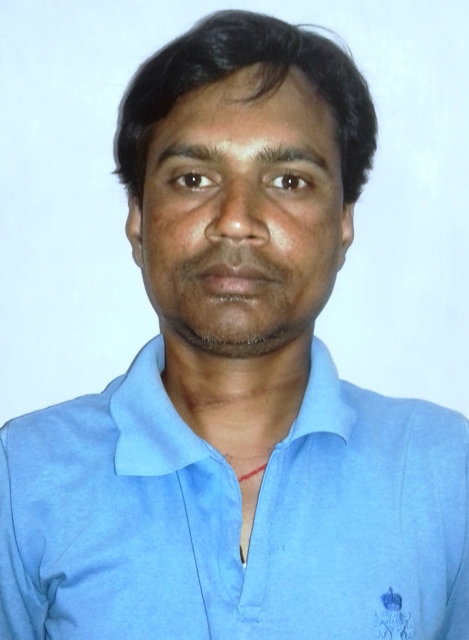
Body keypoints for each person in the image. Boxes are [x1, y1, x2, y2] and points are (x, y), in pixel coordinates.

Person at [0, 9, 467, 639]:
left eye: (288, 180)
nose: (236, 220)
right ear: (138, 218)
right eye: (193, 178)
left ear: (343, 223)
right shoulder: (23, 477)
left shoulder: (445, 472)